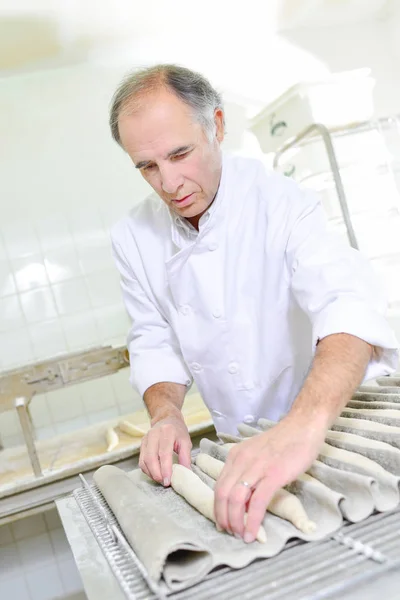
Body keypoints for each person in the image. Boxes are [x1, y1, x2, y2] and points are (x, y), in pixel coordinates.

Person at [109, 64, 399, 543]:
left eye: (181, 153)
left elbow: (348, 306)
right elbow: (153, 336)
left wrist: (301, 428)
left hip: (334, 424)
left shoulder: (282, 203)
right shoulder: (132, 237)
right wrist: (166, 415)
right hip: (244, 441)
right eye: (148, 166)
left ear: (217, 126)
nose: (169, 182)